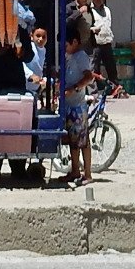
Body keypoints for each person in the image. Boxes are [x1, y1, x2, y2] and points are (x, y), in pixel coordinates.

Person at [57, 26, 96, 187]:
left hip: (78, 106)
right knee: (73, 142)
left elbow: (89, 77)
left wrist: (74, 89)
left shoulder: (81, 56)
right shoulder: (69, 56)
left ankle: (87, 174)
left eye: (66, 45)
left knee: (82, 141)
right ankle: (75, 171)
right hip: (67, 105)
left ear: (74, 42)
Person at [88, 0, 122, 95]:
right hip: (95, 43)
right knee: (94, 67)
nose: (99, 0)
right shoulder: (90, 11)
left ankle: (115, 88)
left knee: (111, 67)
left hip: (107, 41)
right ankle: (94, 91)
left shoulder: (107, 10)